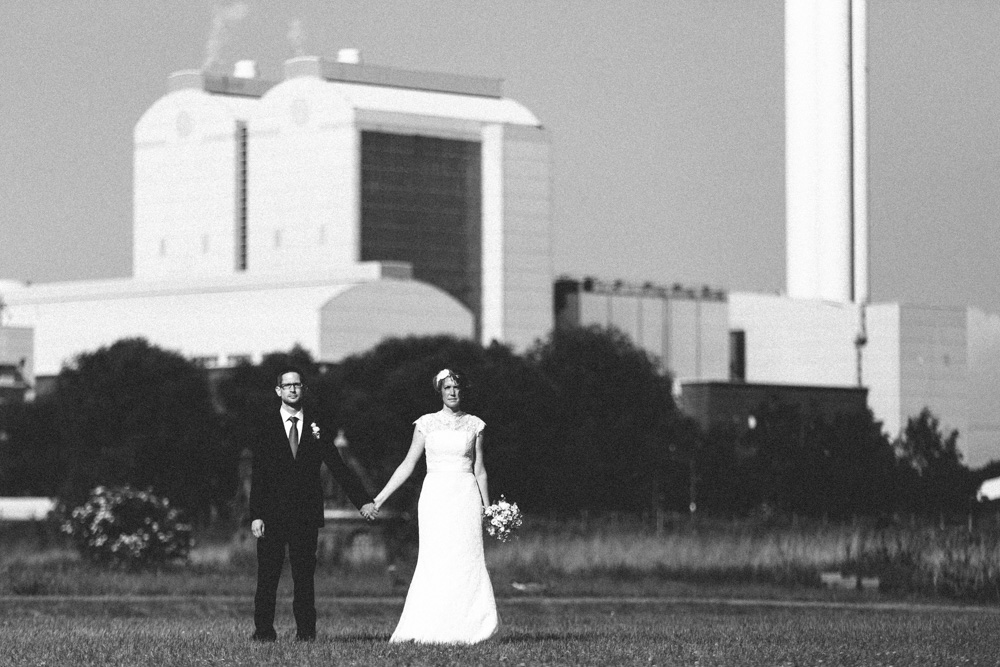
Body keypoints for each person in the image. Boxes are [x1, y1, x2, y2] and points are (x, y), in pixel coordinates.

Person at [249, 366, 377, 642]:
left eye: (298, 385)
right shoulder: (265, 426)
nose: (293, 389)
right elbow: (258, 474)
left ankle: (306, 633)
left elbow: (338, 468)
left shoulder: (317, 427)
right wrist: (256, 515)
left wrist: (363, 501)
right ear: (278, 391)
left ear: (303, 389)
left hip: (305, 515)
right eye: (288, 385)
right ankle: (263, 632)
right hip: (271, 515)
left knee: (304, 579)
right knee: (268, 577)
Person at [373, 368, 499, 644]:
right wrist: (380, 498)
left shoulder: (475, 425)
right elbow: (408, 464)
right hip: (436, 496)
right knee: (435, 558)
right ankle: (431, 625)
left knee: (466, 558)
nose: (453, 393)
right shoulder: (426, 424)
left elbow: (480, 470)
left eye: (457, 388)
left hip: (465, 496)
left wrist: (488, 509)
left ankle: (471, 627)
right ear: (440, 392)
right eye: (448, 388)